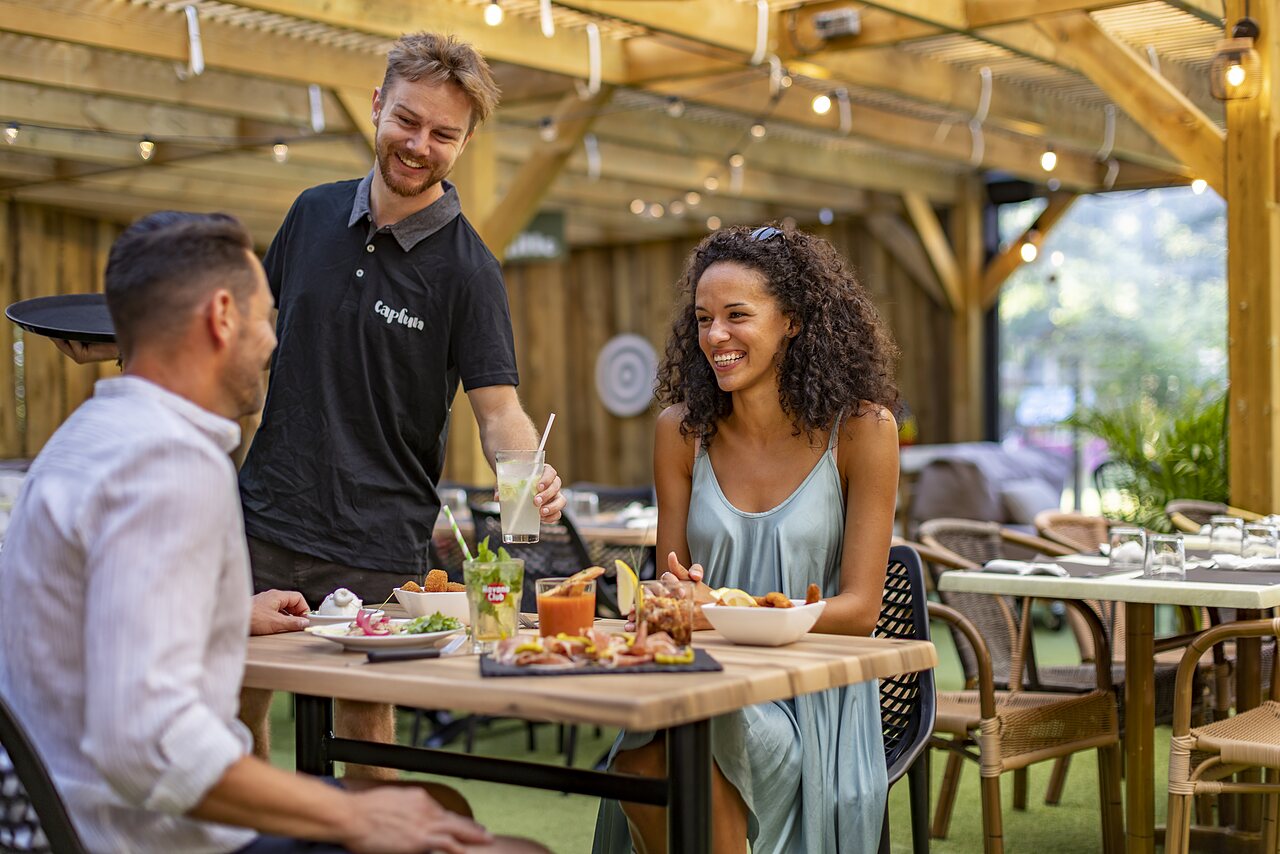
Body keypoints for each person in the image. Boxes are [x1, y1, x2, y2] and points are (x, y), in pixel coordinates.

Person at [0, 212, 543, 854]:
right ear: (222, 316)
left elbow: (97, 628)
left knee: (437, 803)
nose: (273, 342)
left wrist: (225, 614)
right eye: (266, 317)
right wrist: (350, 818)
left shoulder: (82, 441)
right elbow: (149, 746)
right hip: (136, 834)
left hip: (46, 818)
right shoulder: (171, 461)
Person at [593, 225, 901, 853]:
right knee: (638, 762)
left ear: (791, 320)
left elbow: (861, 610)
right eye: (704, 318)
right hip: (705, 674)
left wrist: (720, 616)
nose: (715, 337)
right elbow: (669, 585)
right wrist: (673, 596)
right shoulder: (680, 433)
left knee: (696, 748)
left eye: (738, 316)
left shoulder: (863, 431)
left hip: (813, 697)